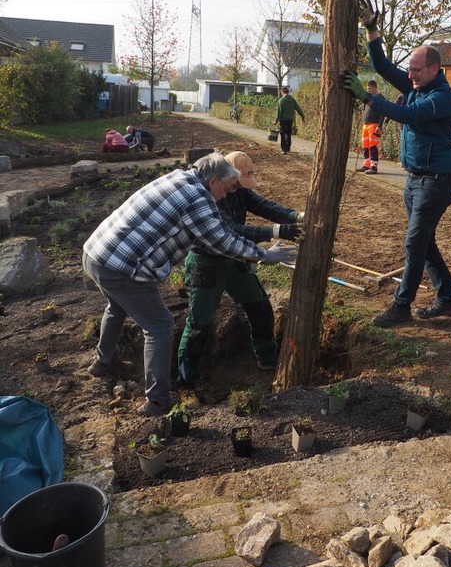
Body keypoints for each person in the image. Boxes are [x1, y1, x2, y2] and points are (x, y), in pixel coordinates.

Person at [83, 153, 297, 417]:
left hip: (97, 253)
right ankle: (158, 400)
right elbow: (222, 240)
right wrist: (265, 255)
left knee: (116, 307)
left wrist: (289, 220)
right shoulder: (197, 199)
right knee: (160, 325)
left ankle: (102, 363)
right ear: (214, 181)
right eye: (227, 187)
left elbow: (242, 219)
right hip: (123, 266)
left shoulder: (182, 178)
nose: (226, 196)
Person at [340, 0, 451, 326]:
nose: (409, 76)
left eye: (416, 70)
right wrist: (371, 27)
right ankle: (447, 299)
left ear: (435, 69)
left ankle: (401, 307)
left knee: (414, 243)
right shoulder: (417, 85)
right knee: (424, 242)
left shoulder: (441, 98)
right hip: (415, 179)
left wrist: (367, 97)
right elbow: (381, 67)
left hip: (436, 181)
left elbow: (406, 115)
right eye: (409, 69)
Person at [177, 151, 304, 403]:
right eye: (234, 184)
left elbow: (263, 205)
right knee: (199, 325)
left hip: (235, 259)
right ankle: (186, 381)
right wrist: (275, 232)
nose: (235, 189)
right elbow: (231, 229)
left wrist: (295, 217)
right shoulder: (209, 196)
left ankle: (267, 357)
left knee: (259, 307)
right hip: (206, 264)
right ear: (224, 178)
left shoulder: (239, 190)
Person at [360, 79, 385, 174]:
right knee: (365, 146)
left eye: (370, 88)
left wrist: (380, 125)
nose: (368, 90)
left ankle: (374, 166)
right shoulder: (367, 98)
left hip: (374, 125)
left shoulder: (380, 98)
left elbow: (383, 113)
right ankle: (366, 164)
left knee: (373, 146)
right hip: (366, 125)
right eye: (367, 88)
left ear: (375, 87)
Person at [275, 87, 305, 154]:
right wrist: (302, 116)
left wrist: (276, 120)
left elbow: (278, 112)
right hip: (290, 120)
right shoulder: (292, 100)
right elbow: (298, 109)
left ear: (282, 92)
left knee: (282, 134)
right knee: (288, 134)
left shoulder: (281, 101)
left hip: (283, 120)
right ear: (288, 92)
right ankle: (288, 148)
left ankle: (283, 149)